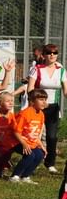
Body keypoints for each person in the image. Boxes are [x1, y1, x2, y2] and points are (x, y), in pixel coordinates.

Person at [26, 43, 66, 173]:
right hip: (38, 107)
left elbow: (65, 91)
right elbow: (30, 89)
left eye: (55, 53)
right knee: (34, 135)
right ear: (44, 55)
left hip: (53, 107)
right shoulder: (37, 69)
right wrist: (37, 102)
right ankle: (33, 160)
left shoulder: (62, 70)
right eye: (49, 53)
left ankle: (50, 163)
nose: (52, 55)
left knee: (52, 137)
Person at [8, 90, 48, 184]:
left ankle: (25, 176)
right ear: (32, 101)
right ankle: (15, 176)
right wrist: (24, 144)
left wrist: (42, 146)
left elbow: (35, 134)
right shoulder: (25, 114)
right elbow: (16, 132)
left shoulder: (41, 114)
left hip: (30, 143)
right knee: (30, 155)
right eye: (41, 99)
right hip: (17, 141)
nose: (44, 102)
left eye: (45, 99)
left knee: (40, 154)